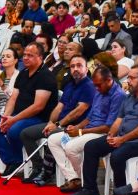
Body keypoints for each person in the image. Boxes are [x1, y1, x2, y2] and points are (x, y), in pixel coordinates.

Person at [70, 65, 138, 195]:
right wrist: (111, 135)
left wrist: (122, 139)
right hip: (122, 137)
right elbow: (118, 120)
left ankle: (120, 191)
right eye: (128, 77)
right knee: (91, 146)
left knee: (117, 155)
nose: (128, 81)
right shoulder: (130, 97)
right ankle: (89, 189)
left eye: (132, 78)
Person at [18, 54, 96, 185]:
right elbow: (59, 107)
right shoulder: (70, 85)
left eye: (79, 66)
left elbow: (78, 111)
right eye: (72, 66)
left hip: (75, 126)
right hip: (59, 123)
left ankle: (47, 173)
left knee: (53, 137)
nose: (75, 69)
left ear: (86, 69)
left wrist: (58, 124)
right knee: (26, 134)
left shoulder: (89, 86)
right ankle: (38, 167)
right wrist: (51, 122)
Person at [48, 65, 126, 193]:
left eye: (99, 85)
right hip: (89, 129)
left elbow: (109, 126)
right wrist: (76, 127)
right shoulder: (99, 91)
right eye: (94, 85)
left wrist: (80, 132)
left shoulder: (119, 95)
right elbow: (89, 118)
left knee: (71, 147)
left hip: (102, 133)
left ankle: (84, 182)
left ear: (108, 80)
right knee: (53, 140)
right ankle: (74, 178)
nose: (96, 88)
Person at [0, 43, 58, 174]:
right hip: (19, 115)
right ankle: (14, 161)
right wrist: (5, 117)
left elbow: (38, 106)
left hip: (39, 118)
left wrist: (13, 120)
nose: (25, 58)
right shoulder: (23, 73)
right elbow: (13, 98)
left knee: (14, 130)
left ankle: (26, 163)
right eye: (24, 55)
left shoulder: (46, 76)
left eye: (30, 55)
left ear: (40, 57)